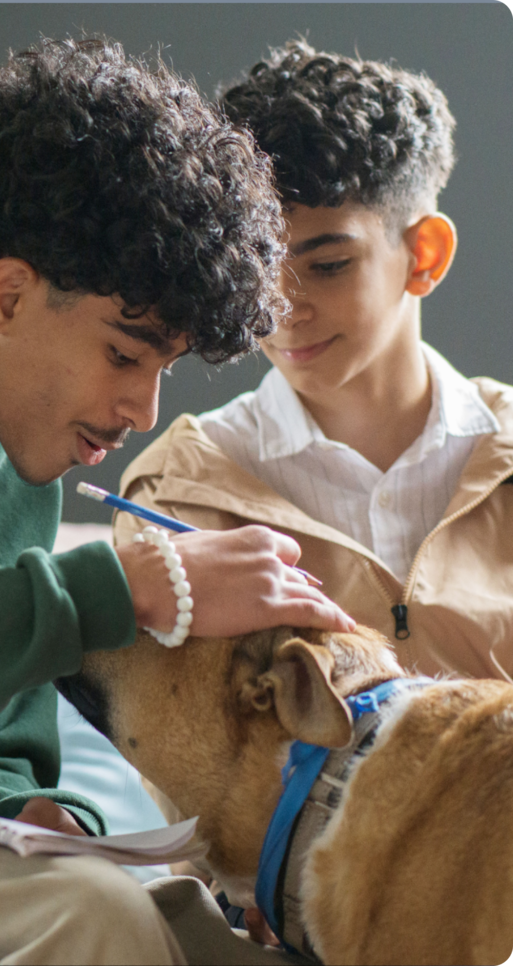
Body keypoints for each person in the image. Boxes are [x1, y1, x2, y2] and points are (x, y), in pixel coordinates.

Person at [0, 36, 354, 966]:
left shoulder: (24, 458)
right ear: (7, 297)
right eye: (126, 355)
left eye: (164, 369)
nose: (143, 410)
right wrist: (126, 584)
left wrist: (34, 812)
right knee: (95, 921)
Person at [115, 38, 513, 692]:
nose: (283, 310)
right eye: (258, 271)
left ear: (426, 255)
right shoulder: (180, 492)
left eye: (327, 266)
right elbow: (183, 764)